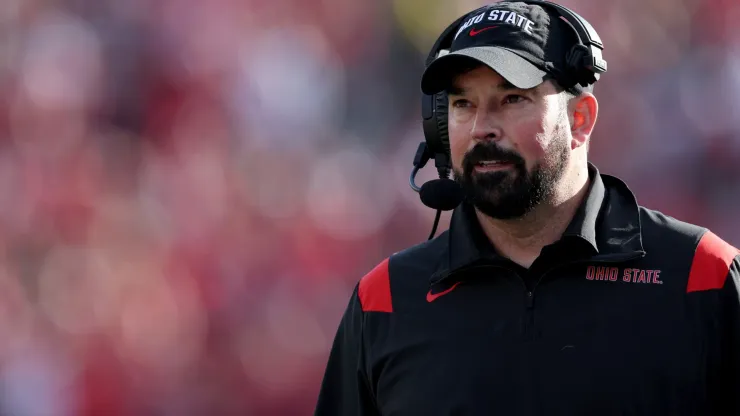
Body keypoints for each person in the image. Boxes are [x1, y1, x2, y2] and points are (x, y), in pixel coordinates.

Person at [314, 1, 740, 415]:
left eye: (512, 99)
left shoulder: (702, 276)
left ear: (580, 120)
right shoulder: (385, 299)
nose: (482, 128)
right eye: (463, 104)